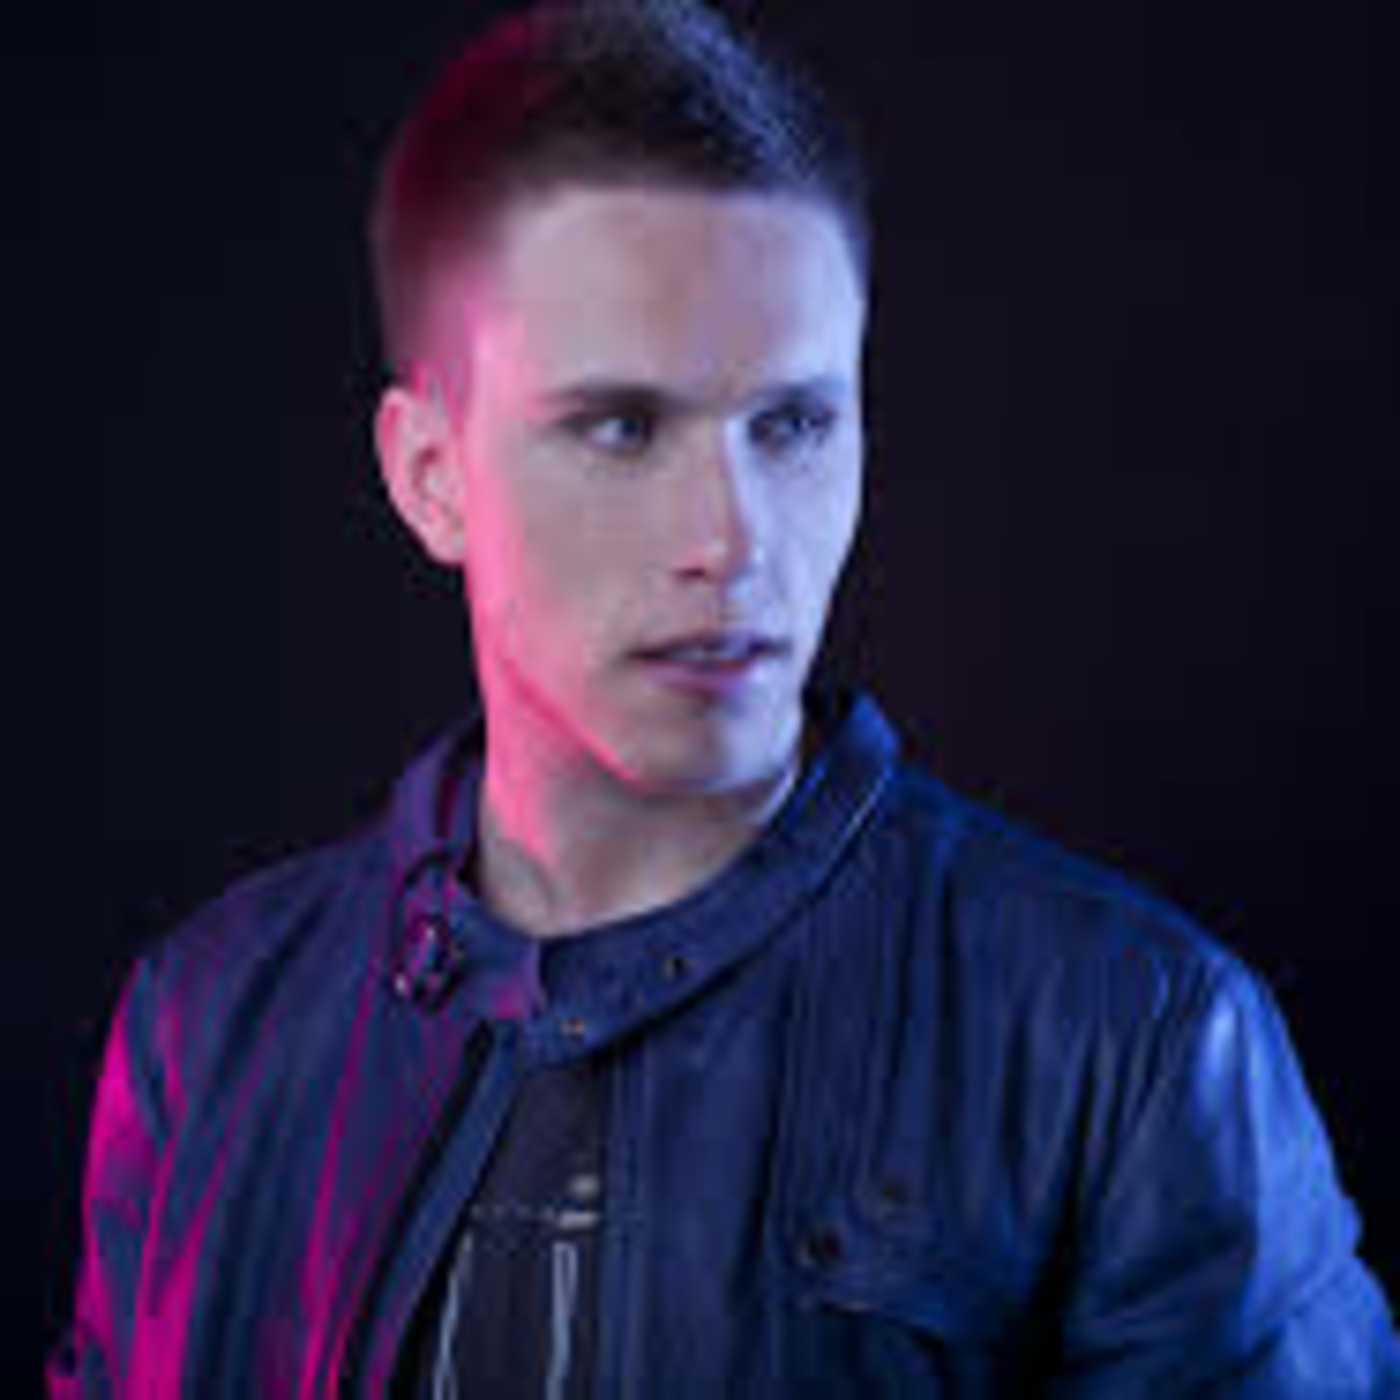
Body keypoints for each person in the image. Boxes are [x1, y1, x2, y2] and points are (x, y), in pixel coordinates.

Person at [50, 1, 1400, 1394]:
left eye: (793, 424)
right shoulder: (204, 1023)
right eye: (621, 427)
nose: (734, 539)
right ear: (431, 477)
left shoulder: (1140, 1041)